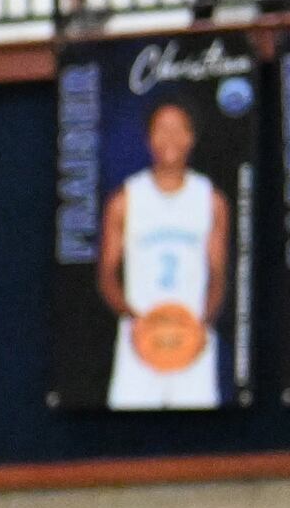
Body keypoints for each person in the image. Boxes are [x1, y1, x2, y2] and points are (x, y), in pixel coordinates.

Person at [99, 97, 231, 410]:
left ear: (190, 137)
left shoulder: (211, 200)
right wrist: (136, 319)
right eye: (162, 129)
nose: (169, 138)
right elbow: (106, 275)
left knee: (197, 445)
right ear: (149, 139)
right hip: (140, 343)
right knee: (129, 444)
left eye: (178, 129)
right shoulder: (125, 199)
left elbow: (218, 275)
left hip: (193, 340)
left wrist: (201, 324)